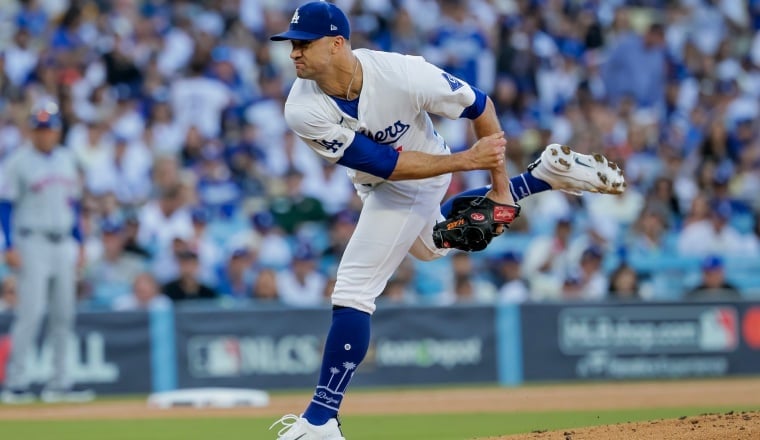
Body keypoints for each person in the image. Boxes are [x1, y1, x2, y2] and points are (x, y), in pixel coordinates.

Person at [267, 3, 624, 438]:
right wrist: (481, 171)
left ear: (337, 43)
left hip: (422, 171)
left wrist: (495, 182)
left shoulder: (403, 74)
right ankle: (540, 178)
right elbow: (381, 163)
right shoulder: (301, 108)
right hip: (385, 177)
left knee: (354, 288)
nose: (294, 53)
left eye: (304, 43)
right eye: (293, 44)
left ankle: (320, 420)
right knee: (433, 246)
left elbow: (481, 106)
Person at [0, 100, 94, 404]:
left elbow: (74, 204)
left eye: (50, 128)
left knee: (64, 314)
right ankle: (15, 383)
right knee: (30, 312)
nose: (45, 134)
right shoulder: (18, 161)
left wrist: (80, 243)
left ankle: (60, 383)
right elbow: (4, 206)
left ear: (58, 131)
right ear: (31, 130)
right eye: (40, 128)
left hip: (63, 241)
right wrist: (8, 245)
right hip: (32, 241)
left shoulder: (67, 159)